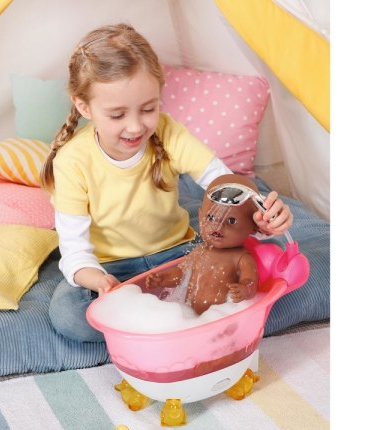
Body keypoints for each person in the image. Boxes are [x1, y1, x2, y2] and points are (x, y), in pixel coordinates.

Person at [40, 23, 292, 342]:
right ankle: (176, 320)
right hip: (111, 266)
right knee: (69, 315)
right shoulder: (72, 162)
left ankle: (159, 321)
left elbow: (221, 180)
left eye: (148, 108)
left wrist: (260, 214)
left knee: (250, 264)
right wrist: (99, 281)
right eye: (117, 115)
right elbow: (74, 251)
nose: (136, 127)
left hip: (178, 253)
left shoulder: (166, 131)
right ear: (83, 106)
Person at [145, 174, 260, 315]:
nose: (217, 226)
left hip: (220, 316)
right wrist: (163, 279)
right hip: (187, 315)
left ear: (253, 226)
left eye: (231, 221)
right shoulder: (200, 251)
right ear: (200, 217)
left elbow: (251, 282)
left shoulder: (241, 258)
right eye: (210, 217)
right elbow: (182, 274)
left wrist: (244, 290)